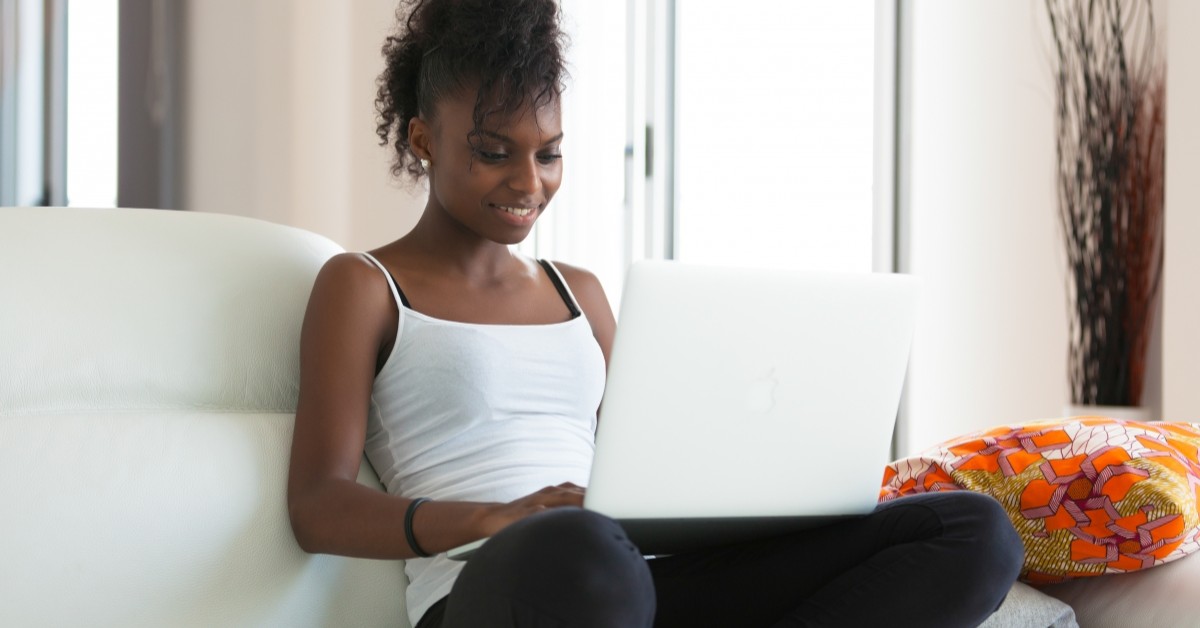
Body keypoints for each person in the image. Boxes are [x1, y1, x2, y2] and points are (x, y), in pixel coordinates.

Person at [286, 0, 1025, 626]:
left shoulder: (579, 292)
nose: (529, 182)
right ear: (423, 139)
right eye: (493, 151)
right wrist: (492, 517)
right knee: (584, 552)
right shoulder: (365, 284)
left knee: (971, 531)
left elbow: (643, 468)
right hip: (498, 584)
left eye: (549, 154)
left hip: (629, 576)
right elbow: (318, 505)